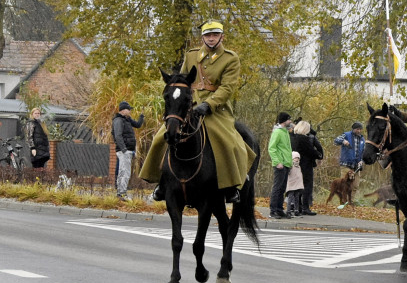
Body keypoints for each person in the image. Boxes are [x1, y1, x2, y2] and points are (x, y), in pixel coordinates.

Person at [141, 20, 257, 204]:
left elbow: (227, 88)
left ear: (221, 37)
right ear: (202, 37)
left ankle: (231, 187)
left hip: (216, 110)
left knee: (228, 142)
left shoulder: (230, 58)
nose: (211, 38)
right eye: (208, 35)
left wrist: (209, 104)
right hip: (189, 106)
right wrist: (187, 104)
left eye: (215, 35)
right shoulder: (192, 55)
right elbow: (182, 80)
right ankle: (161, 183)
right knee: (161, 137)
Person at [111, 101, 144, 198]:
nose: (130, 111)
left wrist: (142, 116)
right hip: (124, 151)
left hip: (128, 150)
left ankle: (120, 193)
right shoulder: (118, 120)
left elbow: (138, 125)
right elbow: (118, 136)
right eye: (129, 110)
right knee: (125, 173)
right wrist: (124, 149)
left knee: (123, 172)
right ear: (123, 110)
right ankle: (123, 194)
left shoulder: (127, 120)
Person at [291, 120, 323, 215]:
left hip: (295, 164)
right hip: (305, 164)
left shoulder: (293, 138)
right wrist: (319, 155)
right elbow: (311, 151)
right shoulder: (303, 139)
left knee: (296, 186)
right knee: (307, 186)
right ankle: (305, 207)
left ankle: (297, 206)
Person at [268, 112, 293, 218]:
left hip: (286, 163)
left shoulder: (285, 132)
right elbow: (271, 148)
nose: (290, 121)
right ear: (284, 120)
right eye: (289, 119)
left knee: (282, 188)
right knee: (277, 187)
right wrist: (277, 161)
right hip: (280, 164)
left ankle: (279, 209)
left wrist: (289, 162)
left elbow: (287, 149)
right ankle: (273, 210)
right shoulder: (278, 132)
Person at [285, 151, 304, 216]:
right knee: (290, 198)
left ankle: (296, 210)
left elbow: (299, 176)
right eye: (296, 158)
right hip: (291, 184)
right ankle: (288, 210)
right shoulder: (290, 166)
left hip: (297, 184)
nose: (297, 159)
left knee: (297, 197)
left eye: (298, 158)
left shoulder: (299, 167)